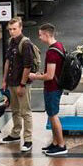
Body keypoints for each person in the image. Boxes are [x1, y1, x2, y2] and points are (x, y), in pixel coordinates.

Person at [28, 23, 68, 156]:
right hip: (57, 86)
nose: (39, 38)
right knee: (52, 115)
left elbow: (49, 75)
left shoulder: (52, 52)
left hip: (52, 88)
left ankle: (61, 145)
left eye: (40, 35)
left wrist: (35, 76)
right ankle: (55, 142)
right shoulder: (59, 46)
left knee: (53, 115)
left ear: (46, 34)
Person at [2, 17, 35, 152]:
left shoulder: (25, 43)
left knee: (25, 111)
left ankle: (28, 139)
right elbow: (8, 62)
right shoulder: (11, 42)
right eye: (10, 29)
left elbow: (28, 66)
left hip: (22, 83)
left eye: (14, 29)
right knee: (15, 109)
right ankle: (15, 133)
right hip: (11, 81)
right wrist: (4, 80)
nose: (12, 31)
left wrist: (22, 84)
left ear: (20, 28)